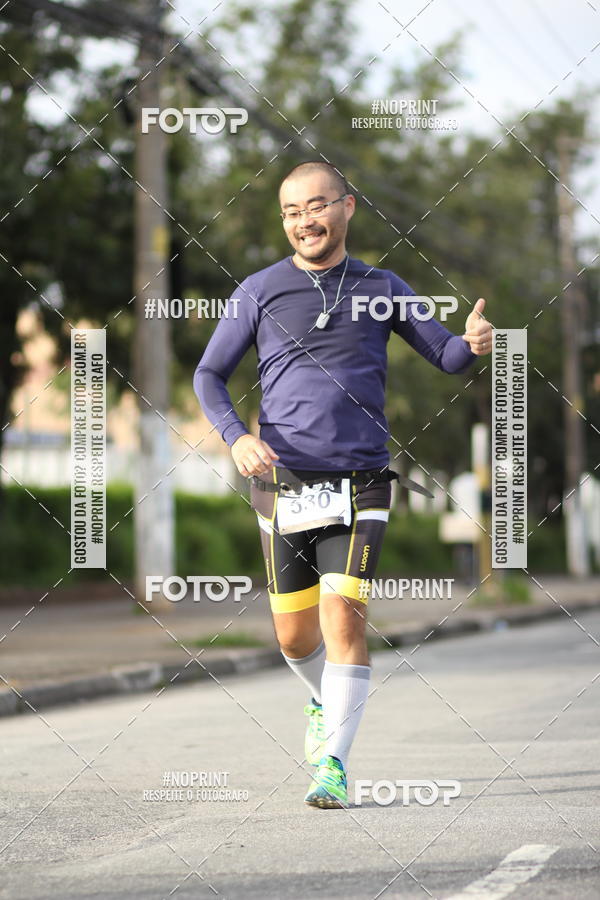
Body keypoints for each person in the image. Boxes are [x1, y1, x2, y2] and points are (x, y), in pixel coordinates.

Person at [193, 161, 492, 809]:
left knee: (344, 619)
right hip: (282, 484)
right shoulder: (259, 291)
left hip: (361, 480)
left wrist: (471, 345)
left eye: (317, 207)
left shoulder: (382, 286)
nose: (305, 221)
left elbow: (443, 355)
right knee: (295, 638)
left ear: (347, 208)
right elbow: (208, 375)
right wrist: (236, 436)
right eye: (292, 212)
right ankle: (319, 699)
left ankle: (333, 764)